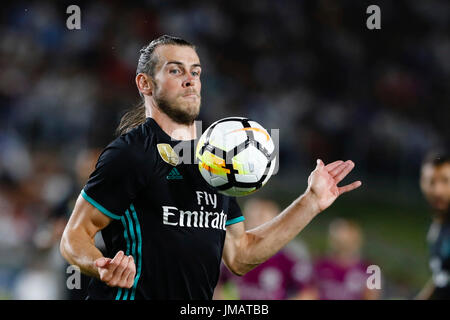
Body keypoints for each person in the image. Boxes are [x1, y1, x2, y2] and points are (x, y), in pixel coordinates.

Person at [59, 35, 362, 300]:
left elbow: (240, 255)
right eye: (175, 70)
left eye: (196, 71)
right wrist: (100, 265)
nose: (190, 80)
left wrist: (309, 202)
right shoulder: (131, 153)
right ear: (145, 83)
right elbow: (73, 237)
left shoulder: (217, 160)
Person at [214, 198, 314, 300]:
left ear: (277, 221)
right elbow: (217, 285)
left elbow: (308, 293)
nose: (256, 222)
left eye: (261, 217)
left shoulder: (289, 257)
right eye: (252, 217)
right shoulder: (233, 253)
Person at [306, 218, 380, 300]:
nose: (341, 240)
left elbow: (372, 296)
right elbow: (309, 294)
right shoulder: (319, 264)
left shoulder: (371, 269)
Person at [417, 149, 450, 300]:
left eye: (445, 180)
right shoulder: (437, 225)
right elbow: (441, 277)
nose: (437, 190)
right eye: (431, 181)